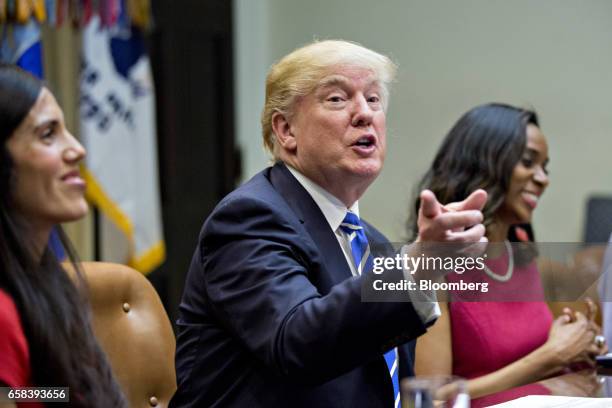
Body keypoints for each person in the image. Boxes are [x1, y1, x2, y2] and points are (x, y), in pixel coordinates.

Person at [169, 39, 487, 408]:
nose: (364, 113)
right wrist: (416, 263)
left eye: (373, 99)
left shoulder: (372, 242)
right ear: (286, 130)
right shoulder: (248, 219)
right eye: (337, 99)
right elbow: (297, 343)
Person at [409, 103, 605, 403]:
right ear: (483, 164)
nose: (542, 178)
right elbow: (433, 399)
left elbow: (547, 365)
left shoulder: (529, 264)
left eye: (545, 167)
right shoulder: (432, 271)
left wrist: (579, 350)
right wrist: (547, 358)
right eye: (528, 162)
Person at [0, 65, 127, 408]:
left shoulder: (46, 281)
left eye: (66, 129)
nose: (77, 149)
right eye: (47, 134)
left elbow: (46, 394)